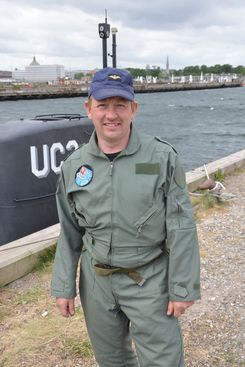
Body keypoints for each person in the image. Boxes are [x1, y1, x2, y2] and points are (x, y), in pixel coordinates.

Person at [51, 67, 200, 367]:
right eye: (103, 105)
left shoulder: (162, 159)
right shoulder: (73, 167)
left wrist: (182, 287)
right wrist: (63, 285)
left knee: (163, 360)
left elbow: (181, 226)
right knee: (111, 360)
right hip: (97, 283)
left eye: (120, 105)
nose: (111, 114)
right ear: (88, 108)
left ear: (134, 108)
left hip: (150, 277)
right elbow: (69, 232)